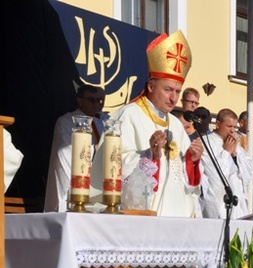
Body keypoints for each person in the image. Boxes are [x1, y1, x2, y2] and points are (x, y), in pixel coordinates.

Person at [93, 30, 203, 217]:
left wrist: (191, 161)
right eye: (168, 90)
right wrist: (150, 155)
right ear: (151, 86)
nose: (173, 98)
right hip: (144, 214)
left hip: (177, 216)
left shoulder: (176, 124)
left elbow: (184, 181)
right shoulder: (128, 115)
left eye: (177, 91)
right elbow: (112, 164)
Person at [44, 84, 108, 212]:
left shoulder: (103, 122)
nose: (96, 104)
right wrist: (95, 149)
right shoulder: (67, 121)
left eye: (99, 100)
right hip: (75, 180)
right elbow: (66, 152)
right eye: (91, 100)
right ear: (80, 101)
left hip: (98, 181)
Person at [201, 108, 253, 219]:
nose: (232, 130)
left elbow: (248, 171)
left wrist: (235, 155)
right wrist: (226, 152)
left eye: (235, 127)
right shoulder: (206, 142)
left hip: (237, 199)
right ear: (218, 124)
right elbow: (214, 174)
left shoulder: (235, 144)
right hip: (218, 201)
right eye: (229, 126)